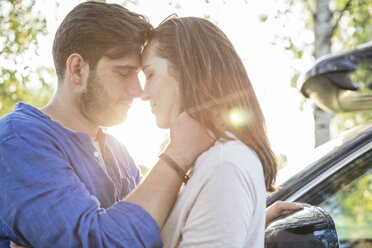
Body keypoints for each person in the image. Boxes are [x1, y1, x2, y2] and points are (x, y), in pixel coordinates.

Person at [0, 2, 214, 247]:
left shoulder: (118, 151)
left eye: (142, 75)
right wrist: (178, 153)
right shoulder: (17, 141)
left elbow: (156, 234)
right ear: (77, 69)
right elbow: (96, 243)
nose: (138, 90)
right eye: (124, 73)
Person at [140, 16, 281, 247]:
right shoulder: (213, 161)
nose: (143, 93)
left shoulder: (225, 165)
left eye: (150, 75)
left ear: (184, 73)